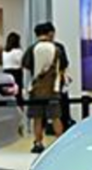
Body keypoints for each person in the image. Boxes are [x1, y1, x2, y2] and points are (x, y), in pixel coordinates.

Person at [21, 22, 68, 153]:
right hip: (53, 88)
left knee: (37, 118)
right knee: (56, 117)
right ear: (50, 33)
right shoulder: (57, 48)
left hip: (36, 88)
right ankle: (60, 143)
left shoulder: (32, 48)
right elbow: (63, 65)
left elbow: (25, 64)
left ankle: (38, 143)